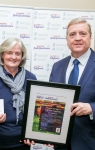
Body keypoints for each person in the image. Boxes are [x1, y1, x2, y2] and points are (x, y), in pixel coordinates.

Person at [49, 18, 95, 150]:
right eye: (72, 34)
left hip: (89, 143)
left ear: (90, 37)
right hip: (60, 143)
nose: (78, 38)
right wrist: (48, 132)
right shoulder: (57, 67)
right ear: (67, 40)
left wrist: (92, 108)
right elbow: (52, 103)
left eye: (83, 33)